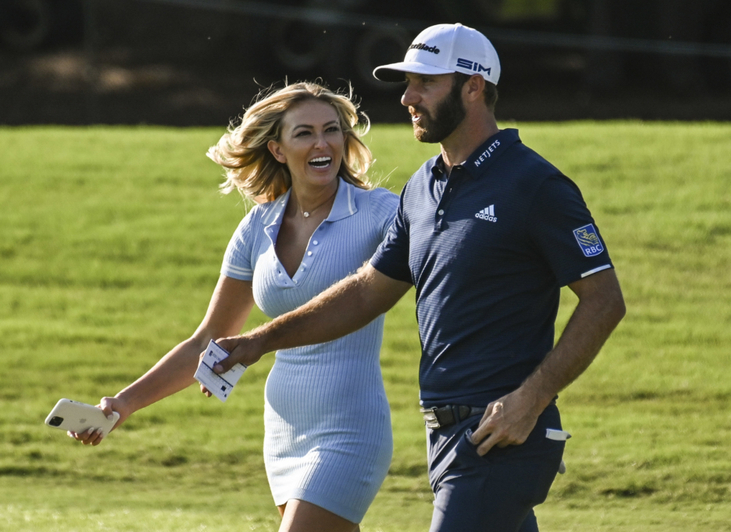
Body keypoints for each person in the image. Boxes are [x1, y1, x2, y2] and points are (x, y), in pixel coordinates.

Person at [208, 23, 626, 532]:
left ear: (473, 87)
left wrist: (531, 400)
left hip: (503, 433)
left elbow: (604, 300)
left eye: (425, 83)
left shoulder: (535, 184)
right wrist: (261, 340)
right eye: (408, 83)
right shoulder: (424, 188)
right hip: (446, 436)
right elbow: (366, 291)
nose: (408, 97)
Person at [69, 82, 399, 532]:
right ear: (278, 149)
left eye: (332, 130)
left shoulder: (380, 212)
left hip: (350, 427)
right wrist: (122, 404)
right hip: (284, 431)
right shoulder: (257, 226)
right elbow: (208, 340)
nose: (323, 144)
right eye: (304, 133)